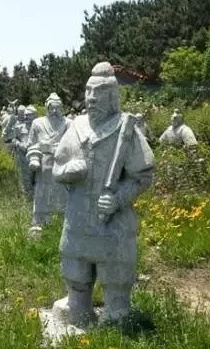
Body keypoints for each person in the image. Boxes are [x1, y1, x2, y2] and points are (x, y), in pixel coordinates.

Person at [52, 62, 155, 325]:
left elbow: (144, 176)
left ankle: (116, 312)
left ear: (112, 96)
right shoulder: (75, 127)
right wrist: (68, 170)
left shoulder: (125, 128)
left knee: (116, 274)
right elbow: (56, 168)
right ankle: (77, 306)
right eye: (88, 91)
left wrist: (118, 198)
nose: (91, 98)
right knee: (75, 268)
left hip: (112, 221)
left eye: (98, 93)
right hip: (77, 217)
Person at [27, 94, 70, 236]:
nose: (55, 111)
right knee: (42, 192)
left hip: (62, 164)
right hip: (43, 165)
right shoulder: (37, 123)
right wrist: (34, 156)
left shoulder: (69, 123)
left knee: (62, 192)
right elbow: (31, 144)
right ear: (47, 108)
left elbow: (74, 145)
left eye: (58, 108)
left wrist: (62, 149)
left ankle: (62, 221)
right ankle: (39, 222)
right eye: (52, 108)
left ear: (62, 108)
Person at [13, 105, 37, 200]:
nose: (26, 117)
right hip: (23, 156)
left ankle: (36, 197)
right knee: (25, 177)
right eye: (26, 115)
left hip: (36, 155)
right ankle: (27, 198)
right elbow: (14, 139)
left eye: (29, 115)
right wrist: (19, 144)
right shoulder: (19, 127)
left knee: (37, 177)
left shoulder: (39, 128)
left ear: (35, 115)